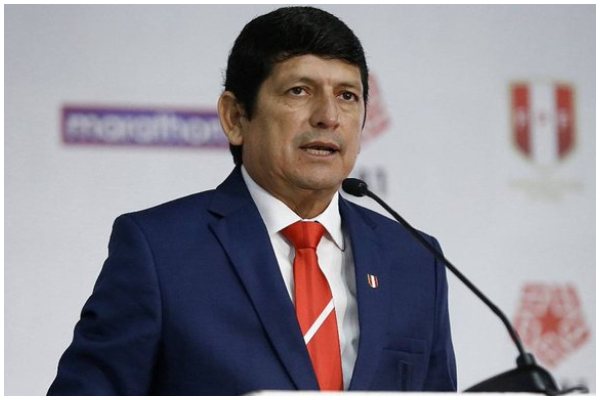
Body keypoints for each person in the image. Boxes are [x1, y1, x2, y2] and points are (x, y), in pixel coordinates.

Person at [48, 6, 457, 395]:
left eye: (347, 95)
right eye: (299, 90)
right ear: (235, 117)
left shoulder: (416, 261)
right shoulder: (159, 251)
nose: (329, 116)